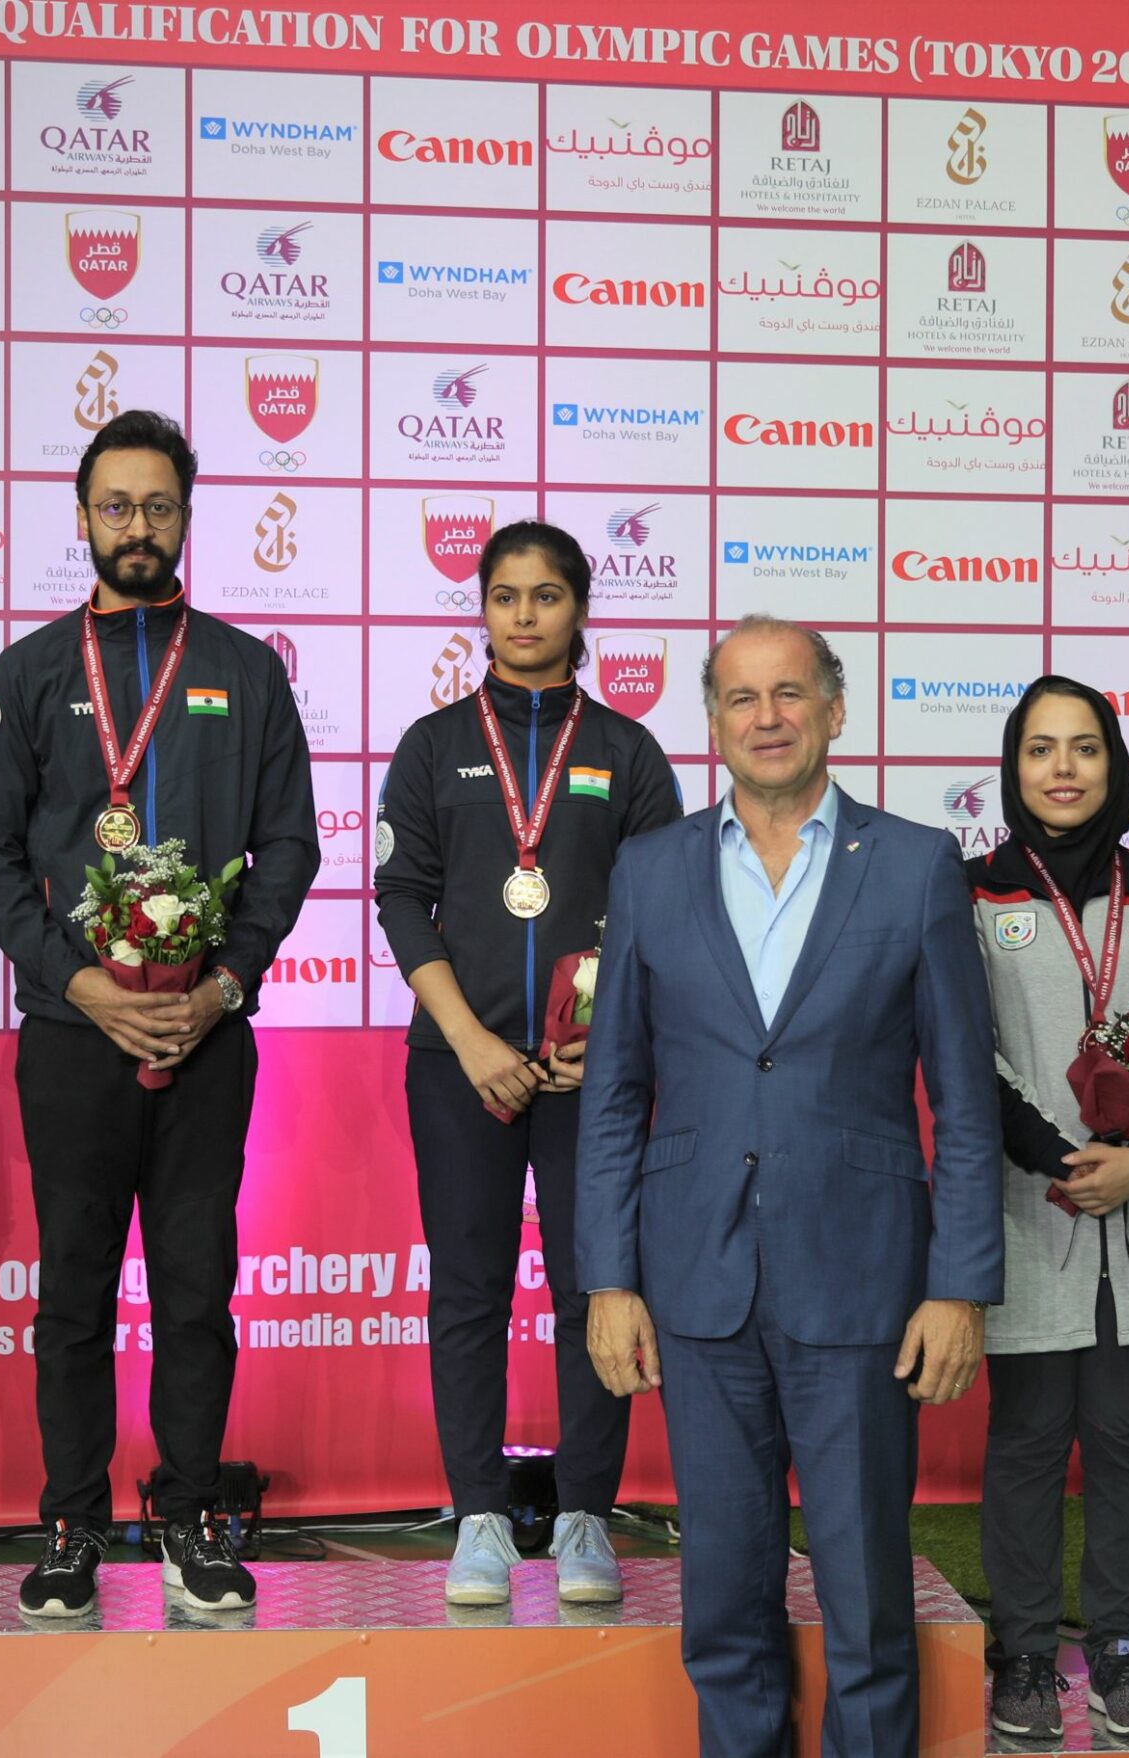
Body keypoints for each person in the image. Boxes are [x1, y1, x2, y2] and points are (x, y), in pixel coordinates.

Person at [575, 615, 1003, 1758]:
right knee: (723, 1602)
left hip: (863, 1282)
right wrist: (608, 1281)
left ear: (835, 709)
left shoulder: (915, 865)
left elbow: (964, 1101)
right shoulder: (650, 868)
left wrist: (959, 1286)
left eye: (788, 693)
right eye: (739, 698)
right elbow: (612, 1095)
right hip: (695, 1284)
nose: (765, 717)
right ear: (711, 722)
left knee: (867, 1606)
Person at [0, 410, 317, 1618]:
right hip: (75, 1038)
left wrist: (222, 985)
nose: (138, 528)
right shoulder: (27, 675)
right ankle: (71, 1524)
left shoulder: (246, 671)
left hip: (208, 1038)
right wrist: (81, 984)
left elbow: (290, 847)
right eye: (116, 506)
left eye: (158, 506)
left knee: (196, 1290)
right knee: (72, 1293)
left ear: (186, 517)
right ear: (83, 519)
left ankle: (192, 1515)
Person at [374, 519, 681, 1606]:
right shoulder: (432, 745)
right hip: (459, 1066)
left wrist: (608, 1044)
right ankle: (479, 1518)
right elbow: (400, 899)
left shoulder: (629, 753)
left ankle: (587, 1514)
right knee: (468, 1289)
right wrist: (469, 1039)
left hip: (591, 1078)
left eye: (545, 595)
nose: (523, 615)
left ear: (579, 609)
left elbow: (662, 916)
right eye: (504, 596)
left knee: (598, 1284)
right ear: (482, 610)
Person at [966, 678, 1129, 1741]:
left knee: (1123, 1441)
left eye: (1083, 748)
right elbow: (963, 1053)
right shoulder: (973, 893)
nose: (1062, 769)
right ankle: (1025, 1653)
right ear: (1012, 768)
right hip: (1033, 1205)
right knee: (1028, 1440)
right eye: (1040, 749)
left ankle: (1122, 1651)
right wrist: (1062, 1158)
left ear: (1113, 764)